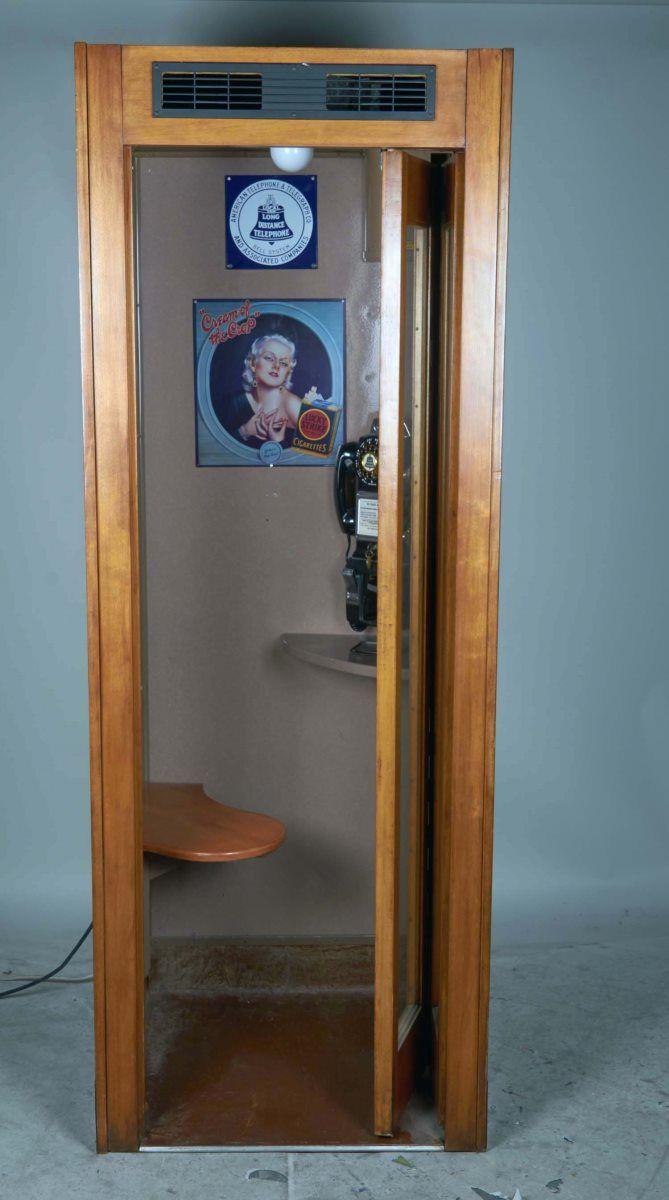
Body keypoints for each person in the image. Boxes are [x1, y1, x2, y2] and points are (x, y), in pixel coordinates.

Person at [221, 334, 302, 448]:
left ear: (288, 372)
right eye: (269, 358)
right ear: (253, 363)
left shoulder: (294, 405)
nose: (276, 366)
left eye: (283, 363)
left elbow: (318, 451)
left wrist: (279, 442)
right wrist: (244, 431)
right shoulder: (235, 403)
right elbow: (217, 450)